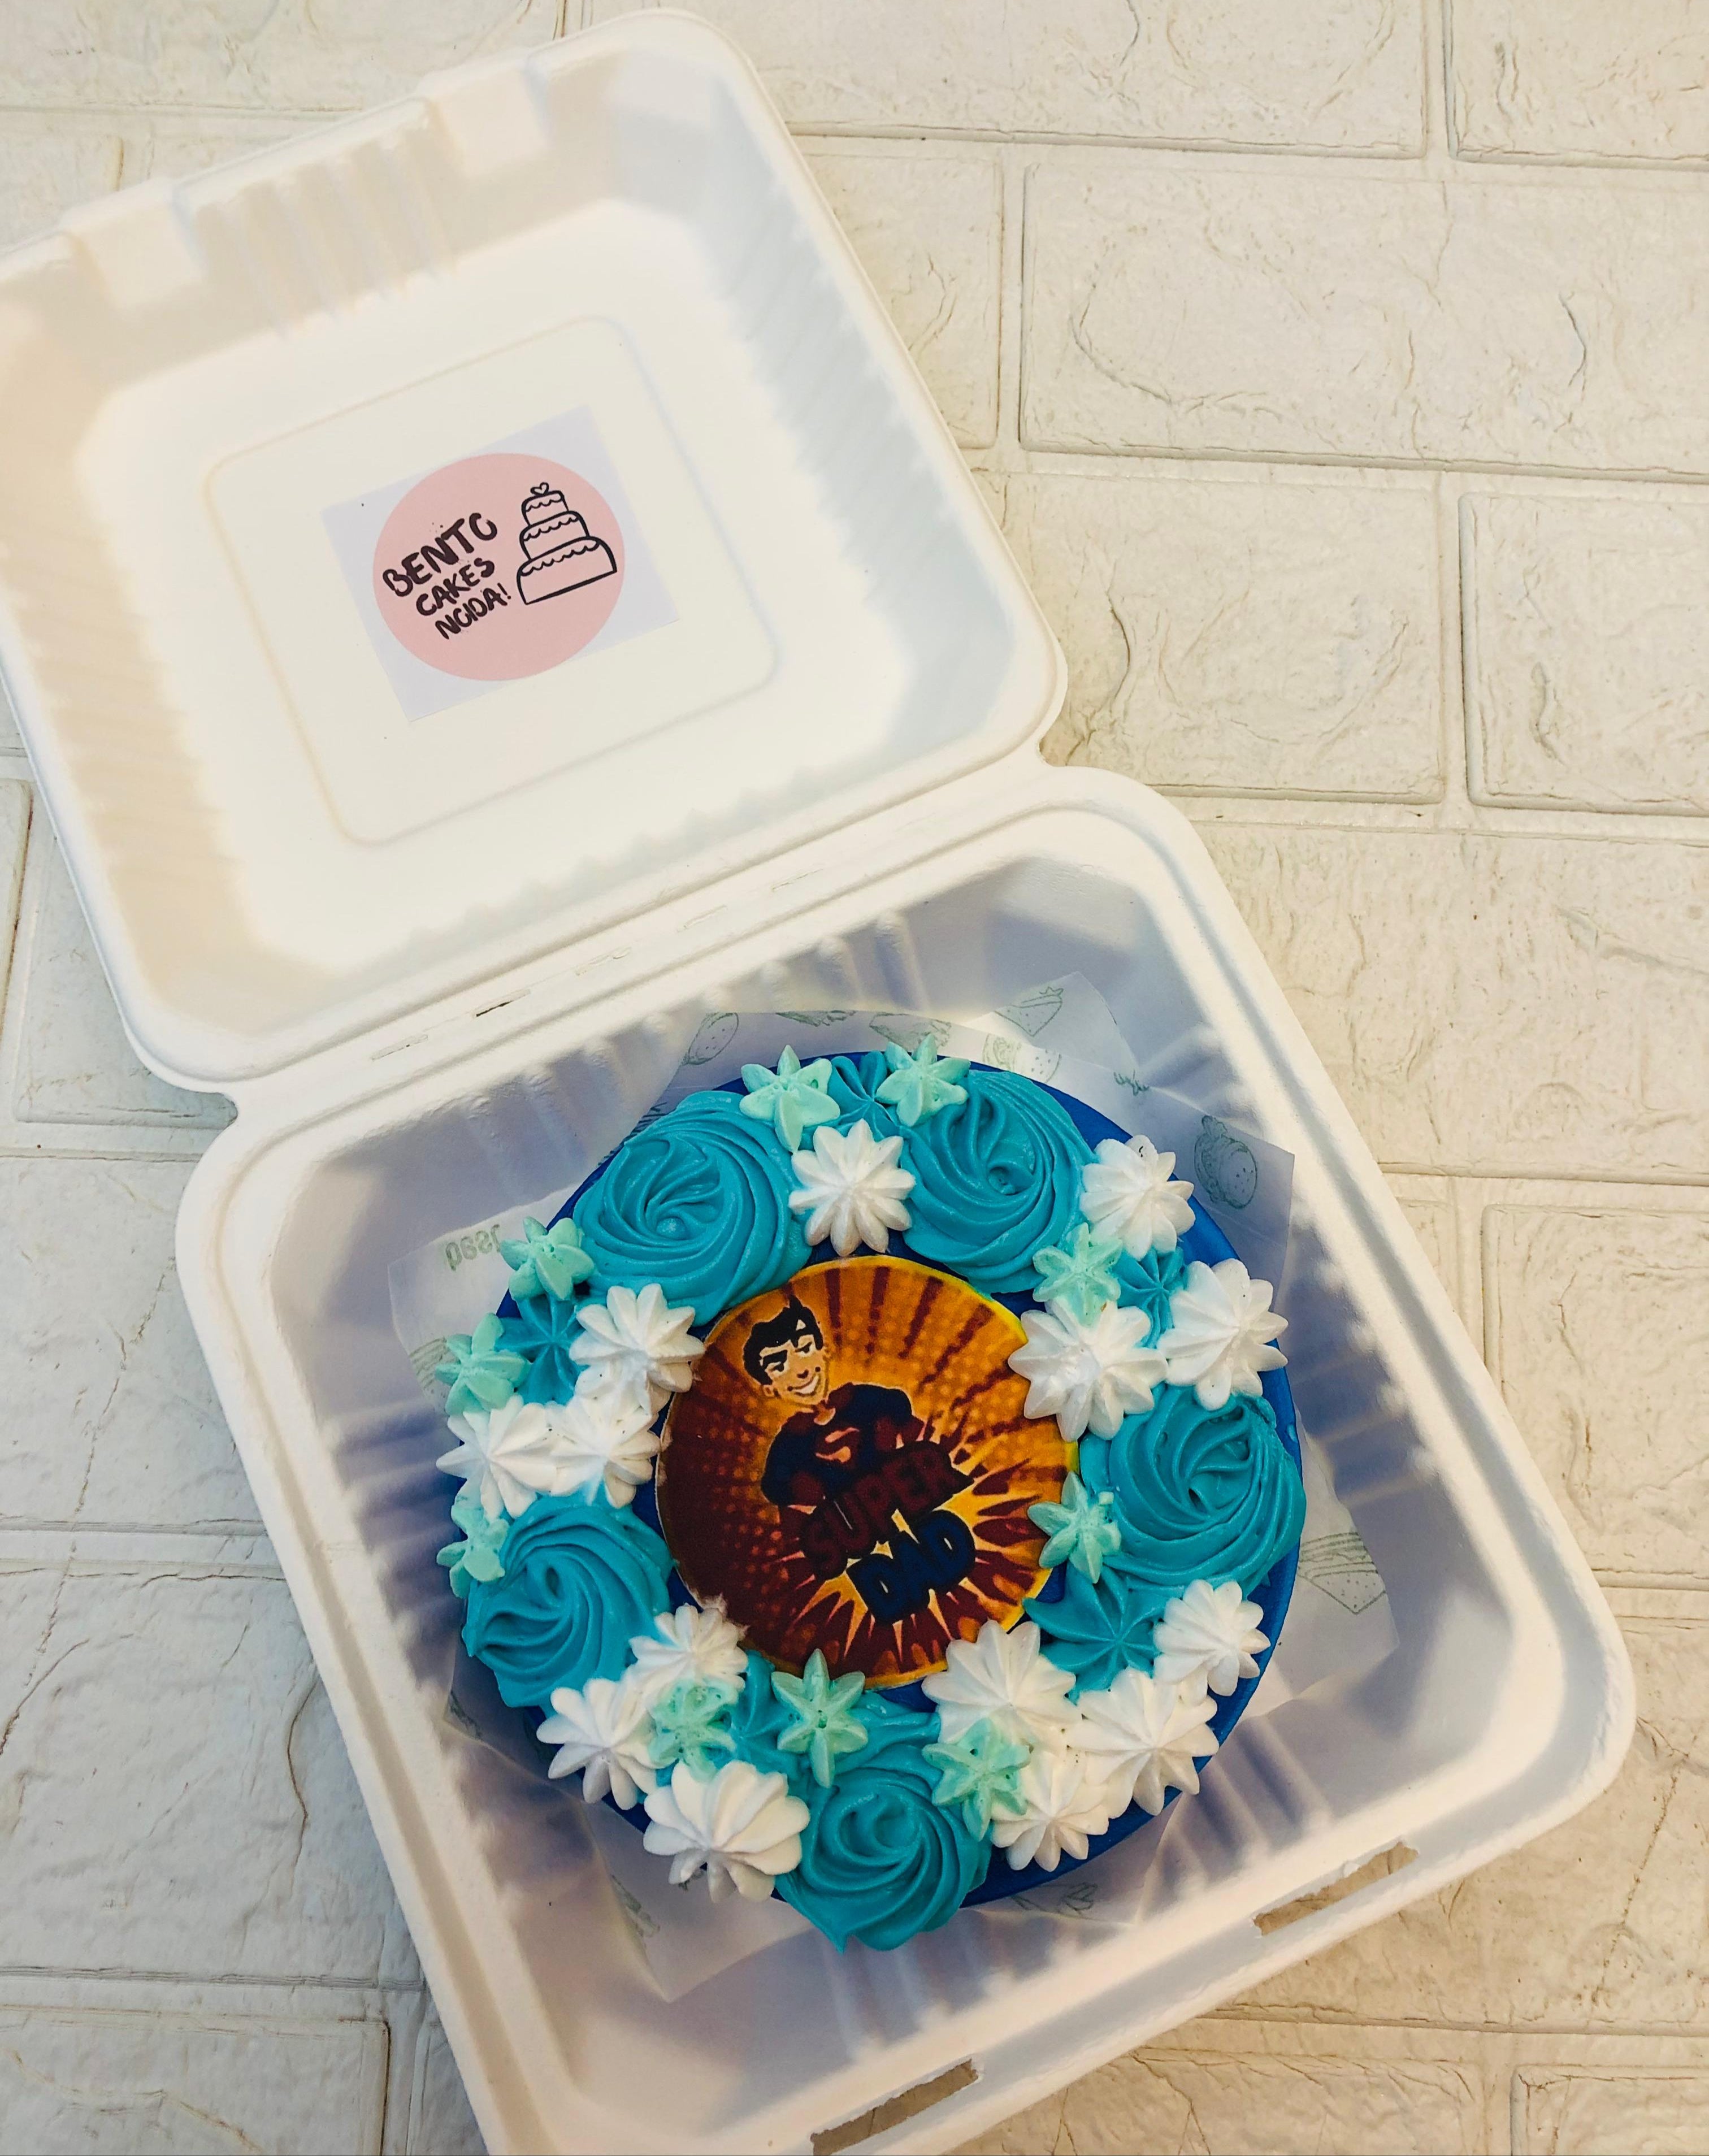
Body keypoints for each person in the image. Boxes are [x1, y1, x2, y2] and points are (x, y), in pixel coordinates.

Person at [748, 1299, 922, 1512]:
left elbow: (898, 1404)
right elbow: (774, 1486)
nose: (802, 1371)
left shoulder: (859, 1398)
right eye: (779, 1367)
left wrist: (888, 1433)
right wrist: (803, 1490)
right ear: (769, 1389)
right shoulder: (791, 1442)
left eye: (805, 1349)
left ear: (825, 1351)